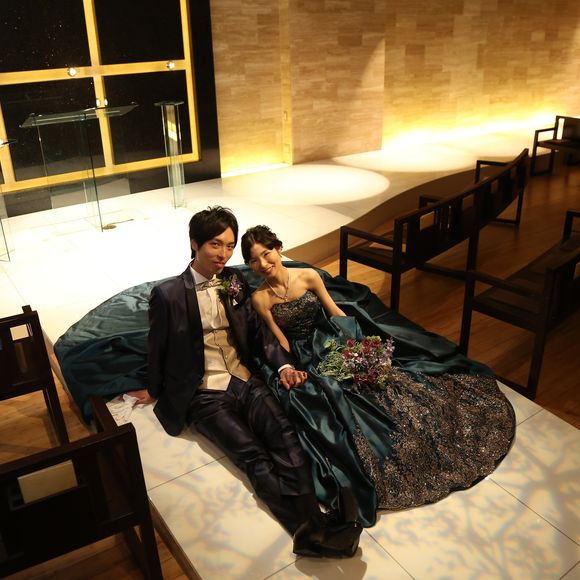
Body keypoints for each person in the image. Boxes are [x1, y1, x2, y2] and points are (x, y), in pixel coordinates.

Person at [240, 225, 516, 527]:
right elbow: (280, 340)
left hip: (330, 339)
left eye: (266, 253)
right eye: (253, 260)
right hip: (304, 354)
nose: (263, 264)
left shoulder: (307, 276)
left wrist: (355, 344)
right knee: (329, 396)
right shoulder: (261, 298)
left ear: (278, 248)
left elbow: (333, 310)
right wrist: (293, 367)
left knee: (378, 385)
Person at [127, 206, 362, 559]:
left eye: (229, 246)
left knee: (285, 438)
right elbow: (156, 345)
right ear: (194, 244)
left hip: (246, 380)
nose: (223, 254)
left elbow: (257, 333)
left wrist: (283, 366)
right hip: (204, 393)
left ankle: (313, 526)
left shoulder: (234, 280)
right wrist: (153, 387)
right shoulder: (168, 294)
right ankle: (310, 528)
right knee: (252, 455)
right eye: (215, 244)